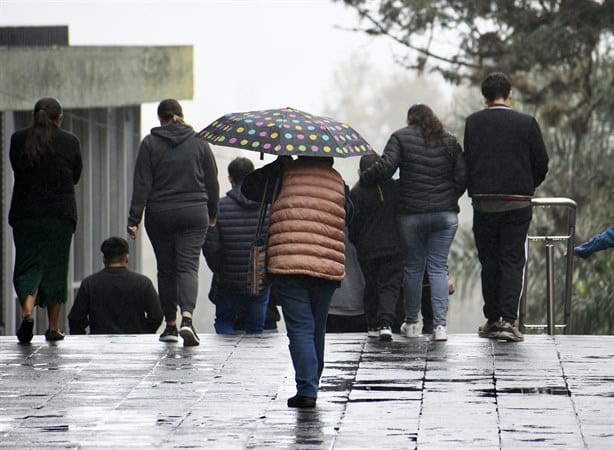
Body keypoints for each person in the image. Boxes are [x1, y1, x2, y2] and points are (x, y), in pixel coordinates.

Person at [242, 155, 350, 408]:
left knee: (300, 328)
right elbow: (350, 215)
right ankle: (311, 382)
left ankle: (307, 387)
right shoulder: (336, 179)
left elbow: (249, 189)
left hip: (288, 263)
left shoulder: (283, 173)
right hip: (327, 265)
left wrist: (277, 164)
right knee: (317, 328)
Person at [361, 104, 466, 342]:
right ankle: (440, 327)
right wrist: (449, 199)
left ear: (411, 120)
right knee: (438, 267)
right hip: (445, 215)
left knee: (413, 267)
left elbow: (386, 167)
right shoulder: (449, 140)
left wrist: (365, 179)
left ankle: (411, 323)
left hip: (411, 215)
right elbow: (462, 176)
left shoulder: (400, 137)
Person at [464, 72, 549, 342]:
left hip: (484, 202)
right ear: (509, 94)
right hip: (517, 204)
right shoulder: (527, 123)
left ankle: (491, 319)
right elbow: (542, 162)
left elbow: (469, 159)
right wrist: (526, 186)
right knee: (512, 260)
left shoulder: (473, 123)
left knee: (489, 261)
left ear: (484, 97)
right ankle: (508, 321)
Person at [127, 99, 219, 346]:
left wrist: (134, 218)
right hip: (194, 212)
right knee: (188, 266)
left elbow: (142, 183)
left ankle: (170, 326)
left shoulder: (149, 144)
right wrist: (213, 212)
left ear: (160, 119)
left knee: (166, 269)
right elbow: (212, 180)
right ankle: (187, 320)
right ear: (181, 115)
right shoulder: (199, 141)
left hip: (161, 214)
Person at [9, 97, 82, 344]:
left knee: (28, 264)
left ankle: (27, 311)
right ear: (59, 118)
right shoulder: (70, 141)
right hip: (59, 216)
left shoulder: (18, 139)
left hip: (25, 214)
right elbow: (75, 176)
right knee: (55, 268)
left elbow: (16, 168)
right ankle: (53, 327)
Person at [203, 157, 270, 334]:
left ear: (230, 178)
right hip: (259, 278)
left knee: (224, 322)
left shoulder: (218, 207)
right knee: (256, 327)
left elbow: (211, 246)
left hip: (227, 278)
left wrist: (219, 269)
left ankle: (225, 361)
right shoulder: (267, 208)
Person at [349, 154, 402, 341]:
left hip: (367, 249)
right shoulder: (395, 188)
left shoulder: (356, 193)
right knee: (389, 286)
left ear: (360, 172)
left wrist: (355, 241)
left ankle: (372, 323)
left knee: (370, 284)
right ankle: (386, 323)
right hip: (394, 246)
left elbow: (353, 223)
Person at [68, 237, 162, 334]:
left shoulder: (89, 284)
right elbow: (157, 316)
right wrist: (142, 334)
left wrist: (87, 341)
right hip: (134, 346)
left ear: (104, 259)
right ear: (126, 258)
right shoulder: (143, 283)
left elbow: (75, 319)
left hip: (100, 346)